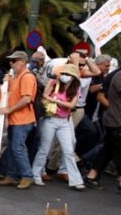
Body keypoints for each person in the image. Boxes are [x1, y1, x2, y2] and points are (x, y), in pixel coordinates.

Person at [31, 64, 85, 190]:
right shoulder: (54, 83)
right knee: (44, 149)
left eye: (69, 75)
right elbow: (44, 96)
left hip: (64, 121)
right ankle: (36, 174)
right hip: (50, 119)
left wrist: (55, 101)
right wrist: (52, 86)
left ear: (74, 77)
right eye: (64, 74)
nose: (66, 76)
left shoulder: (76, 88)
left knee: (69, 151)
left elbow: (71, 105)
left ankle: (76, 180)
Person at [0, 51, 37, 190]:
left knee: (17, 148)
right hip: (17, 120)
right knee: (12, 149)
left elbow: (26, 99)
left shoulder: (26, 77)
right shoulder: (18, 77)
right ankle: (11, 175)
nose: (11, 64)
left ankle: (27, 176)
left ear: (21, 62)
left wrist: (9, 110)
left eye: (13, 61)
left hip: (23, 120)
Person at [84, 61, 121, 193]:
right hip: (117, 122)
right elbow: (100, 96)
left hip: (113, 120)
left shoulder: (113, 75)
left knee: (108, 150)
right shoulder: (118, 76)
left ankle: (91, 176)